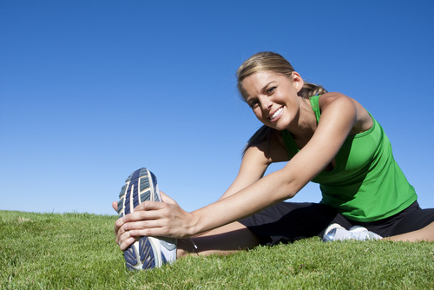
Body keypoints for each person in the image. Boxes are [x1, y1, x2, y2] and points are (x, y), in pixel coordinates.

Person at [112, 52, 434, 270]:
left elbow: (290, 181)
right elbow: (236, 199)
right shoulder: (267, 143)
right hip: (337, 219)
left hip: (400, 216)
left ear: (295, 81)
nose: (265, 105)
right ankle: (176, 252)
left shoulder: (340, 108)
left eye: (270, 90)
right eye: (254, 101)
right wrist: (179, 229)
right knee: (262, 217)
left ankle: (373, 243)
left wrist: (192, 219)